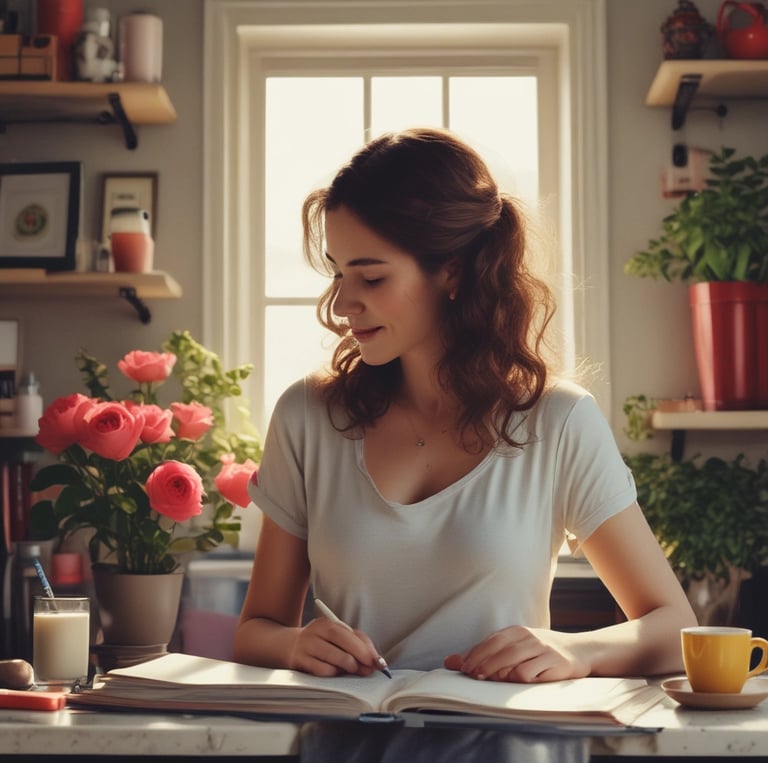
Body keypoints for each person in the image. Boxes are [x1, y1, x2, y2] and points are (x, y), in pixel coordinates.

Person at [233, 127, 696, 684]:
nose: (342, 304)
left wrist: (579, 652)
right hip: (348, 742)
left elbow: (673, 628)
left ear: (453, 270)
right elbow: (256, 629)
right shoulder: (307, 415)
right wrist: (293, 645)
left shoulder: (558, 421)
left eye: (372, 276)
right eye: (338, 272)